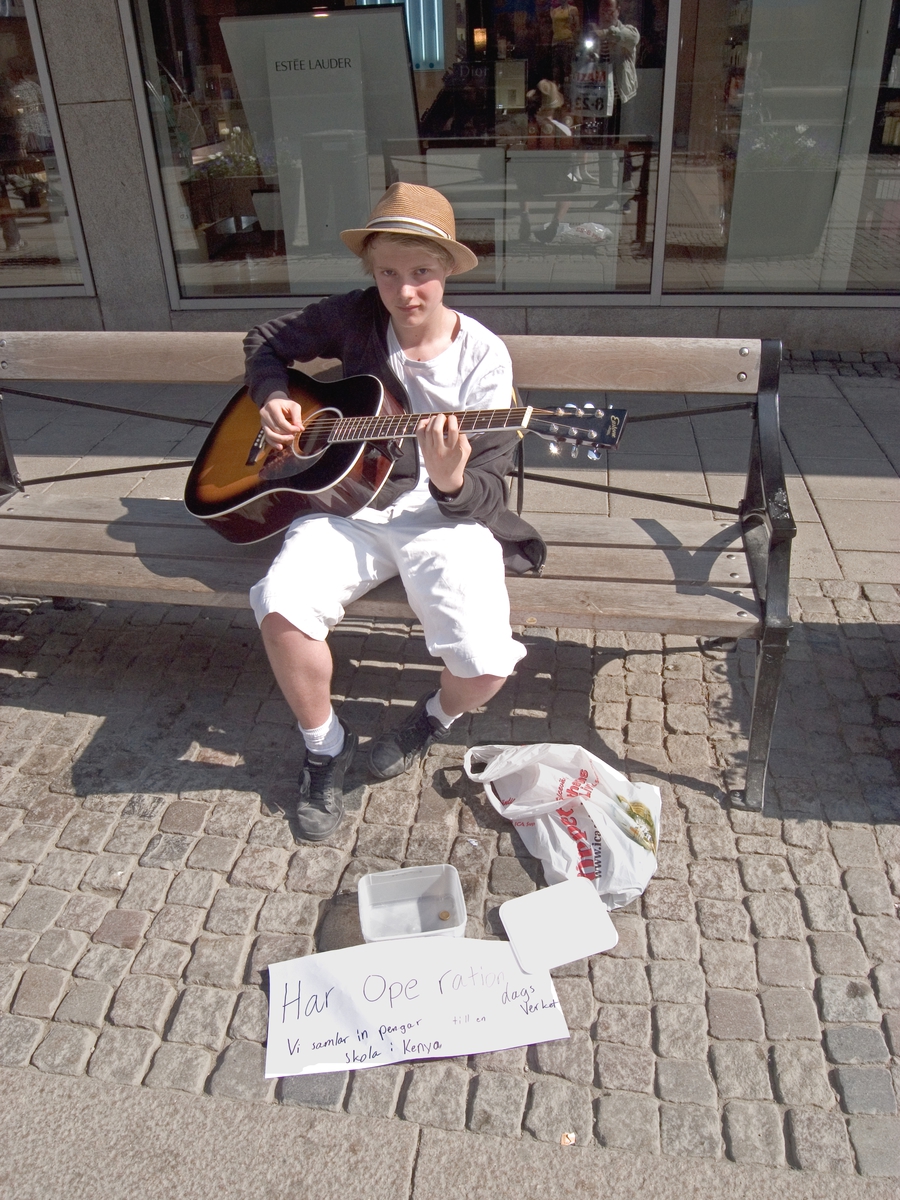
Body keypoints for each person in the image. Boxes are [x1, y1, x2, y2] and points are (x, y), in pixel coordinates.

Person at [244, 183, 545, 842]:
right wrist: (272, 398)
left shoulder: (484, 358)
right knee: (282, 607)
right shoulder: (353, 317)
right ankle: (325, 747)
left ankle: (430, 719)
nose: (405, 291)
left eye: (422, 274)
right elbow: (266, 342)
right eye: (388, 273)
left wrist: (449, 482)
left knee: (487, 661)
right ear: (371, 271)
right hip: (345, 504)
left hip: (442, 518)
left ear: (446, 272)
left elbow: (488, 489)